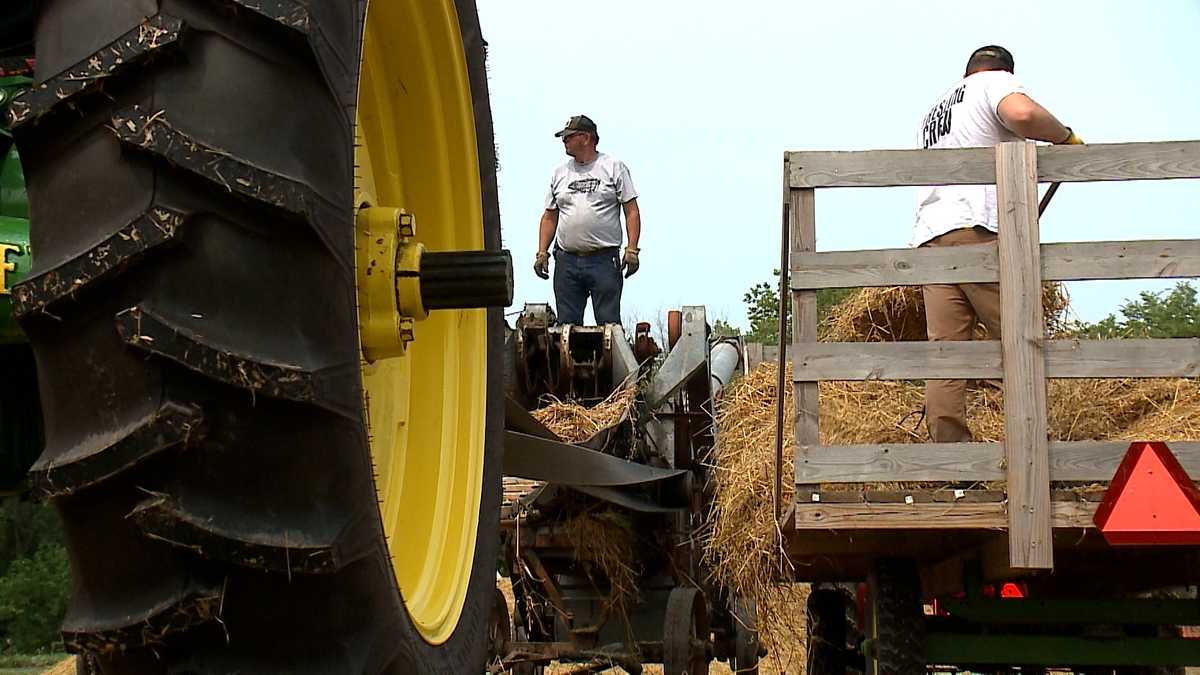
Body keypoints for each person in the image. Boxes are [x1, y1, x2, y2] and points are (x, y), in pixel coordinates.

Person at [915, 45, 1083, 442]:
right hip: (975, 230)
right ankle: (1040, 449)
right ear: (1004, 72)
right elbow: (1022, 115)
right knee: (1022, 334)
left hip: (932, 234)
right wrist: (1065, 136)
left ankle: (954, 463)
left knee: (947, 355)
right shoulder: (994, 83)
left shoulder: (936, 112)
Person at [533, 114, 641, 325]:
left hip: (604, 260)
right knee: (566, 329)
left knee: (609, 327)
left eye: (568, 137)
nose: (564, 141)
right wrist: (542, 252)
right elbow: (549, 216)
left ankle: (609, 359)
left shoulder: (613, 167)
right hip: (567, 261)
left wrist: (632, 249)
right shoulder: (560, 173)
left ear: (586, 137)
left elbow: (632, 211)